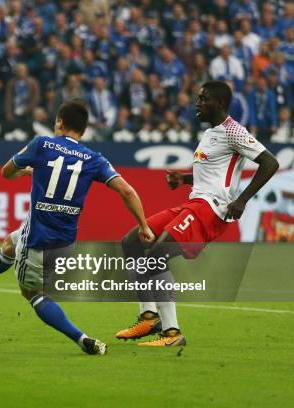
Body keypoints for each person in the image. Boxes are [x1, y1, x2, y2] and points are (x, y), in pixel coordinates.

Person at [0, 99, 154, 355]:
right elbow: (127, 190)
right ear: (84, 129)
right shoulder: (94, 158)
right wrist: (144, 226)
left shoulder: (42, 144)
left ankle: (82, 339)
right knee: (10, 244)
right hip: (65, 243)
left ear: (59, 122)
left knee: (33, 293)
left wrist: (21, 172)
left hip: (38, 239)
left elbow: (5, 172)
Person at [117, 81, 279, 346]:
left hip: (211, 209)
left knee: (157, 254)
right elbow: (212, 175)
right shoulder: (210, 133)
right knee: (131, 242)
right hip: (195, 202)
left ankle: (171, 333)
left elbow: (270, 162)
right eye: (198, 98)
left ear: (220, 104)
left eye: (204, 99)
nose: (197, 103)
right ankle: (148, 315)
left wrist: (242, 200)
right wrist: (183, 179)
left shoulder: (233, 131)